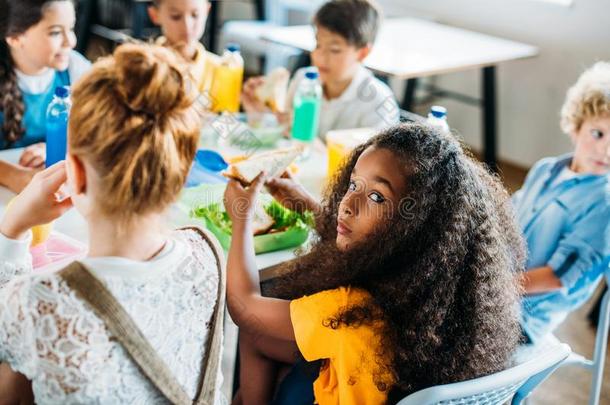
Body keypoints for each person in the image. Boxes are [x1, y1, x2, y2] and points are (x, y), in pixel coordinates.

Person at [224, 123, 524, 404]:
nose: (347, 204)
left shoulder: (350, 311)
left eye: (377, 197)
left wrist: (242, 219)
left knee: (256, 330)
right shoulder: (432, 291)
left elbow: (244, 308)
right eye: (354, 184)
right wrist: (305, 204)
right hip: (379, 383)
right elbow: (371, 240)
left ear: (417, 228)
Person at [0, 43, 225, 404]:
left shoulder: (38, 300)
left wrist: (11, 229)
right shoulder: (206, 254)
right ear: (181, 174)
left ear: (75, 173)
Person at [514, 61, 610, 344]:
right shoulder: (546, 169)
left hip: (524, 317)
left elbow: (557, 277)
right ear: (577, 125)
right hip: (497, 286)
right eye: (598, 133)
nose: (606, 149)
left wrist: (495, 287)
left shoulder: (604, 204)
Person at [242, 0, 399, 142]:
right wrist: (259, 114)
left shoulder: (378, 102)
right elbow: (281, 141)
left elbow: (368, 170)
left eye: (335, 50)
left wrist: (305, 138)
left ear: (363, 52)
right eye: (318, 45)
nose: (320, 57)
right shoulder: (303, 79)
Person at [0, 0, 91, 192]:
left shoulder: (76, 69)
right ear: (15, 38)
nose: (71, 42)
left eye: (72, 28)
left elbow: (96, 132)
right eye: (55, 32)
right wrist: (12, 175)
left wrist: (57, 148)